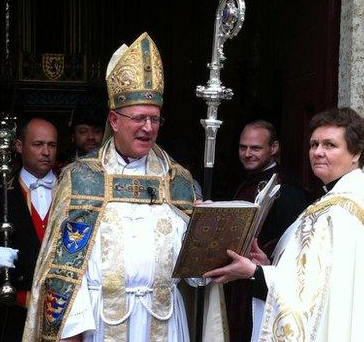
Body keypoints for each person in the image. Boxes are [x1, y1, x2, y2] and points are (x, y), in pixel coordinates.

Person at [23, 32, 218, 342]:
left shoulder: (177, 181)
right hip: (102, 323)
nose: (148, 128)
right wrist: (69, 332)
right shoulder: (83, 178)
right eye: (139, 118)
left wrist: (207, 236)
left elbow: (196, 277)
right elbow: (64, 270)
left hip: (164, 324)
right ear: (114, 120)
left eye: (155, 119)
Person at [205, 108, 364, 341]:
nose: (318, 152)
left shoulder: (345, 212)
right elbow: (317, 279)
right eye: (314, 144)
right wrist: (269, 265)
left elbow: (316, 299)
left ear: (356, 153)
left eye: (329, 145)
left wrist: (254, 273)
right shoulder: (343, 200)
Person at [0, 117, 58, 342]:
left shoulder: (74, 191)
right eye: (38, 144)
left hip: (64, 312)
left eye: (51, 145)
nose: (46, 151)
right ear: (18, 146)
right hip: (14, 313)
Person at [226, 120, 311, 341]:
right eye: (243, 147)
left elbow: (295, 244)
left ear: (273, 148)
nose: (247, 153)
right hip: (237, 283)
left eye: (255, 148)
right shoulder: (245, 181)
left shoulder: (288, 190)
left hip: (261, 284)